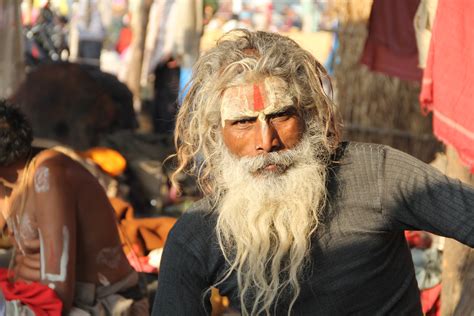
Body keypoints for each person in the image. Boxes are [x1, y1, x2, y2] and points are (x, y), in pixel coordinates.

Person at [152, 29, 474, 315]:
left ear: (309, 115)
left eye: (281, 115)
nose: (266, 142)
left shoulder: (377, 174)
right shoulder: (197, 233)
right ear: (217, 132)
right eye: (243, 122)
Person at [0, 100, 148, 315]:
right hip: (33, 296)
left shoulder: (47, 174)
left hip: (96, 304)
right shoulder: (7, 181)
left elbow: (57, 296)